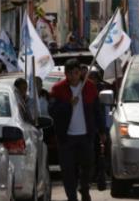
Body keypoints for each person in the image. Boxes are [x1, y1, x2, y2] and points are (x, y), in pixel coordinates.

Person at [49, 59, 107, 201]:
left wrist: (102, 130)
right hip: (66, 138)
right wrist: (68, 105)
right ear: (66, 74)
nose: (74, 76)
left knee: (88, 167)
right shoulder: (58, 89)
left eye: (76, 73)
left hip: (86, 136)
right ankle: (72, 196)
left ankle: (84, 188)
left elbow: (97, 111)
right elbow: (52, 111)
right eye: (70, 73)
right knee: (68, 171)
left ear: (80, 72)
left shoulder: (89, 87)